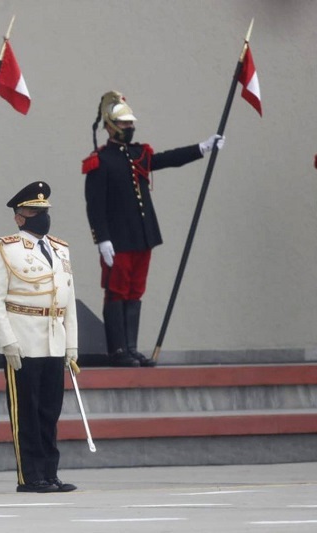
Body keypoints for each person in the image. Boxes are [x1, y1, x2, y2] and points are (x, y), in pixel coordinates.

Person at [83, 90, 224, 367]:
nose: (129, 128)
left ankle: (132, 347)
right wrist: (102, 239)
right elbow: (95, 205)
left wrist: (201, 148)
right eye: (124, 124)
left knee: (135, 291)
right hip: (118, 240)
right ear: (111, 126)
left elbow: (165, 160)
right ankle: (118, 351)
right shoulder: (100, 160)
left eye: (130, 124)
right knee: (117, 292)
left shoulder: (139, 153)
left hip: (142, 235)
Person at [0, 181, 78, 494]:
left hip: (53, 337)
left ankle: (50, 473)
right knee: (27, 412)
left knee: (50, 411)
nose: (41, 215)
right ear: (19, 217)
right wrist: (7, 341)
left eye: (44, 210)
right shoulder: (6, 248)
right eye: (33, 211)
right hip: (23, 340)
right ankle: (30, 476)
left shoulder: (60, 249)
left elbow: (68, 300)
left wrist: (71, 345)